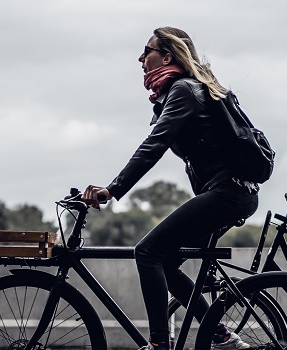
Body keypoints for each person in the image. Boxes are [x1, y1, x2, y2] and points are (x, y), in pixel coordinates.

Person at [81, 27, 258, 350]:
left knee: (147, 251)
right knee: (162, 260)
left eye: (146, 50)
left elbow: (154, 146)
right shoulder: (177, 92)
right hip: (232, 193)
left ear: (166, 56)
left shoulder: (184, 91)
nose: (139, 57)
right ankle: (221, 336)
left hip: (227, 193)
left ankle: (159, 344)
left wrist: (112, 189)